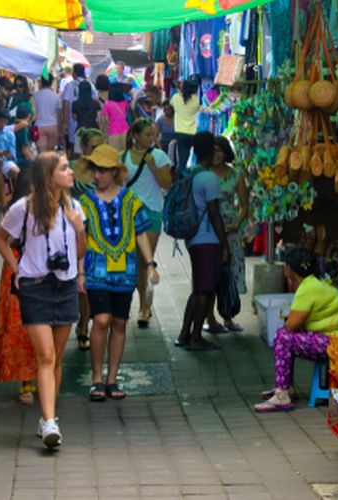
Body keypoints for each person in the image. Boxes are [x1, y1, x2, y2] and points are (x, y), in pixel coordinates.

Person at [0, 151, 87, 449]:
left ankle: (50, 417)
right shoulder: (24, 208)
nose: (71, 172)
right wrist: (16, 268)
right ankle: (48, 422)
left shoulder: (75, 207)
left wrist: (78, 228)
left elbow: (81, 251)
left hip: (66, 286)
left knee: (56, 358)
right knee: (46, 355)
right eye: (63, 168)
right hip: (35, 287)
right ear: (49, 175)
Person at [78, 144, 159, 401]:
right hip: (96, 271)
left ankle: (112, 379)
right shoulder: (85, 203)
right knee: (101, 320)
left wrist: (151, 263)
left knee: (120, 323)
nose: (97, 175)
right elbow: (80, 240)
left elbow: (140, 232)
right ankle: (96, 377)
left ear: (114, 172)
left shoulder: (131, 200)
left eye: (102, 170)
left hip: (126, 270)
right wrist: (79, 273)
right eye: (95, 170)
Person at [254, 246, 338, 412]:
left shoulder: (307, 288)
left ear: (289, 268)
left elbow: (291, 325)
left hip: (336, 342)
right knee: (286, 337)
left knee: (283, 337)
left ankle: (282, 393)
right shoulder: (314, 283)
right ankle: (285, 387)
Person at [174, 132, 229, 351]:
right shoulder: (209, 178)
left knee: (198, 288)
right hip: (207, 239)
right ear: (209, 151)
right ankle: (196, 336)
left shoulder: (189, 172)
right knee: (205, 291)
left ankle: (184, 333)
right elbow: (215, 214)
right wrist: (224, 244)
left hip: (192, 237)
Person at [0, 165, 38, 404]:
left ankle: (40, 376)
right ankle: (26, 380)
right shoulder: (16, 210)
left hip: (37, 268)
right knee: (20, 326)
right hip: (17, 268)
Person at [121, 118, 173, 328]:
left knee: (145, 260)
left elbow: (167, 184)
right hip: (129, 213)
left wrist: (153, 168)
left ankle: (145, 306)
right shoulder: (123, 157)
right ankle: (143, 302)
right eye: (147, 135)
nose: (152, 139)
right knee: (133, 262)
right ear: (135, 135)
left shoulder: (158, 156)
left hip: (151, 212)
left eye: (153, 135)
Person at [204, 136, 249, 334]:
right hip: (208, 229)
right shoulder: (204, 174)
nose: (216, 155)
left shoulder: (236, 174)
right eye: (213, 151)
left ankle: (228, 316)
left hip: (230, 230)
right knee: (210, 273)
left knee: (229, 272)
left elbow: (245, 204)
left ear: (226, 152)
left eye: (220, 150)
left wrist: (237, 224)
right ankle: (210, 318)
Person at [70, 128, 106, 351]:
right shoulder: (71, 169)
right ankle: (82, 322)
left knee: (93, 281)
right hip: (75, 231)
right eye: (93, 147)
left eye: (100, 147)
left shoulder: (104, 170)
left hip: (100, 232)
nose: (97, 151)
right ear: (83, 147)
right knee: (80, 281)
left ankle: (86, 323)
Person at [62, 63, 97, 158]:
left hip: (74, 122)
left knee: (75, 147)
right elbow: (96, 101)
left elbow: (66, 104)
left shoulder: (69, 86)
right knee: (89, 147)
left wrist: (64, 122)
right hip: (90, 122)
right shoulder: (91, 86)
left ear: (74, 73)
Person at [171, 79, 201, 174]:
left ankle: (181, 182)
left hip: (180, 133)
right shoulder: (197, 99)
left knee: (182, 162)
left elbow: (171, 104)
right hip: (194, 133)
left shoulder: (176, 97)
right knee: (198, 160)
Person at [33, 76, 62, 152]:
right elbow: (59, 115)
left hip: (39, 126)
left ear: (41, 82)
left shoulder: (35, 96)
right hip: (53, 125)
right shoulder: (56, 97)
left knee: (42, 153)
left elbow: (33, 113)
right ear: (51, 83)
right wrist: (60, 129)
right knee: (51, 153)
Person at [100, 83, 130, 152]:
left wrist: (104, 134)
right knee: (124, 155)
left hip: (113, 132)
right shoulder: (125, 102)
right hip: (125, 131)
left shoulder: (107, 104)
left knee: (114, 156)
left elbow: (106, 121)